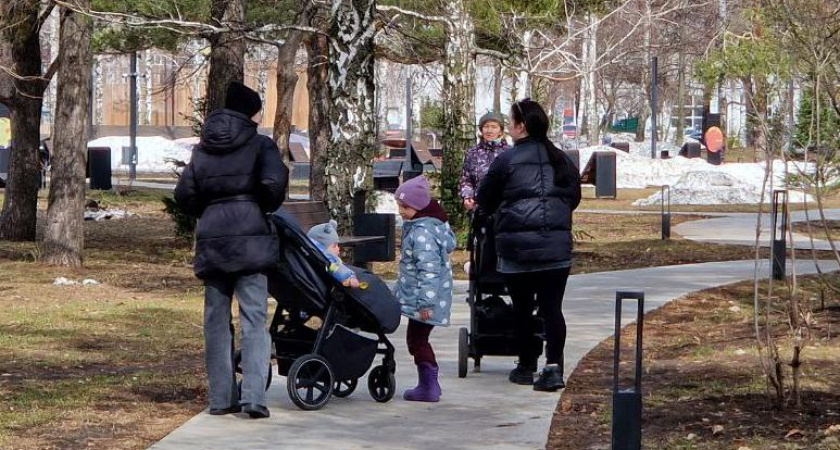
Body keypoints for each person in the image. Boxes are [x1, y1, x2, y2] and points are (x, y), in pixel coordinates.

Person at [175, 81, 288, 418]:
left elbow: (184, 194)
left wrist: (209, 212)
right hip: (250, 237)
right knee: (254, 319)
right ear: (250, 112)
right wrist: (257, 207)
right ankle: (254, 396)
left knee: (215, 320)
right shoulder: (260, 145)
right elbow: (272, 185)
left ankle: (221, 397)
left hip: (213, 240)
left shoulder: (202, 149)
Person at [476, 98, 581, 392]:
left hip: (517, 249)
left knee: (522, 308)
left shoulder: (506, 161)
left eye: (511, 122)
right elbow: (573, 198)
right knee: (552, 309)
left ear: (521, 126)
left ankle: (525, 366)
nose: (509, 127)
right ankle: (554, 366)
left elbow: (486, 199)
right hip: (556, 249)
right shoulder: (562, 159)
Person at [393, 175, 456, 402]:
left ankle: (429, 386)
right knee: (417, 339)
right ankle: (428, 384)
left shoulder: (422, 233)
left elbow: (429, 271)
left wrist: (425, 303)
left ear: (418, 208)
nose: (400, 211)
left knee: (417, 340)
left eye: (404, 206)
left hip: (426, 301)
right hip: (423, 298)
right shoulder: (425, 226)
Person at [459, 112, 511, 211]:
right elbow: (466, 179)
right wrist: (467, 196)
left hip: (505, 209)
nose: (489, 131)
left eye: (494, 127)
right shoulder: (472, 153)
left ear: (501, 131)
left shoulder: (510, 152)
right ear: (481, 130)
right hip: (479, 208)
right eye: (486, 127)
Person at [307, 220, 361, 288]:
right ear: (322, 248)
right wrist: (350, 278)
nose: (338, 249)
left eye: (338, 245)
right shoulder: (326, 260)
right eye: (334, 246)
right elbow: (337, 270)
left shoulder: (315, 255)